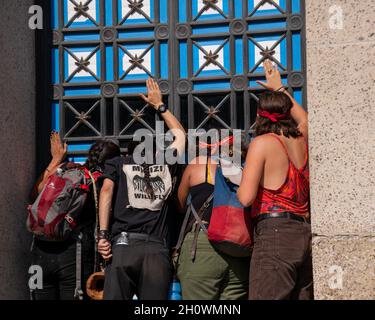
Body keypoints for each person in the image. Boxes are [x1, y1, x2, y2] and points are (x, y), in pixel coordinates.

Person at [97, 78, 186, 300]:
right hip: (156, 251)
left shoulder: (117, 163)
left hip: (123, 247)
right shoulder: (164, 163)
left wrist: (103, 235)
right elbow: (181, 135)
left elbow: (106, 191)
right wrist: (160, 106)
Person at [237, 59, 312, 300]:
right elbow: (307, 120)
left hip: (274, 233)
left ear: (260, 116)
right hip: (303, 233)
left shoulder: (262, 143)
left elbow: (246, 197)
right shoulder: (302, 140)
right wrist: (280, 88)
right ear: (286, 112)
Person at [29, 133, 121, 300]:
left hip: (40, 252)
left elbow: (34, 194)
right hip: (74, 255)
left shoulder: (66, 170)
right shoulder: (102, 183)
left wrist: (56, 158)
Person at [176, 136, 249, 300]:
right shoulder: (249, 170)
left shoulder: (200, 164)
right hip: (240, 249)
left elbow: (179, 205)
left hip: (203, 245)